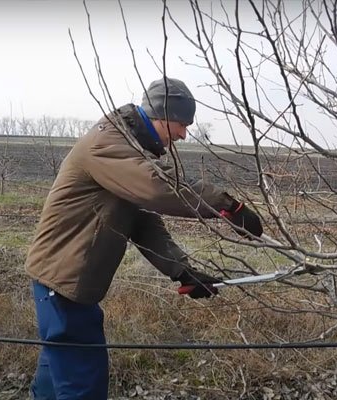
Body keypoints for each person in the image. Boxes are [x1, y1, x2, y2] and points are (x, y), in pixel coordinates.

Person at [24, 77, 263, 400]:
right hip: (63, 284)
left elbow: (141, 220)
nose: (183, 134)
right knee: (83, 386)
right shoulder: (108, 145)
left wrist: (181, 270)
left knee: (56, 379)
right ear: (161, 115)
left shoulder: (129, 147)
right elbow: (155, 190)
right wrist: (226, 205)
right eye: (181, 124)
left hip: (62, 281)